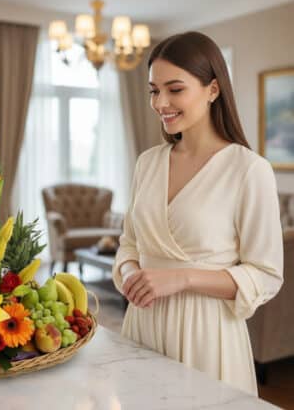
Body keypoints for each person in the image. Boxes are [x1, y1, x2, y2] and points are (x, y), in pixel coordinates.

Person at [112, 31, 284, 396]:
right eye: (153, 90)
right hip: (142, 324)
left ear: (213, 89)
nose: (160, 103)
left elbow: (266, 275)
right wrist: (130, 273)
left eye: (175, 89)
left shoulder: (248, 169)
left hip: (207, 337)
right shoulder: (147, 163)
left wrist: (182, 279)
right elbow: (129, 243)